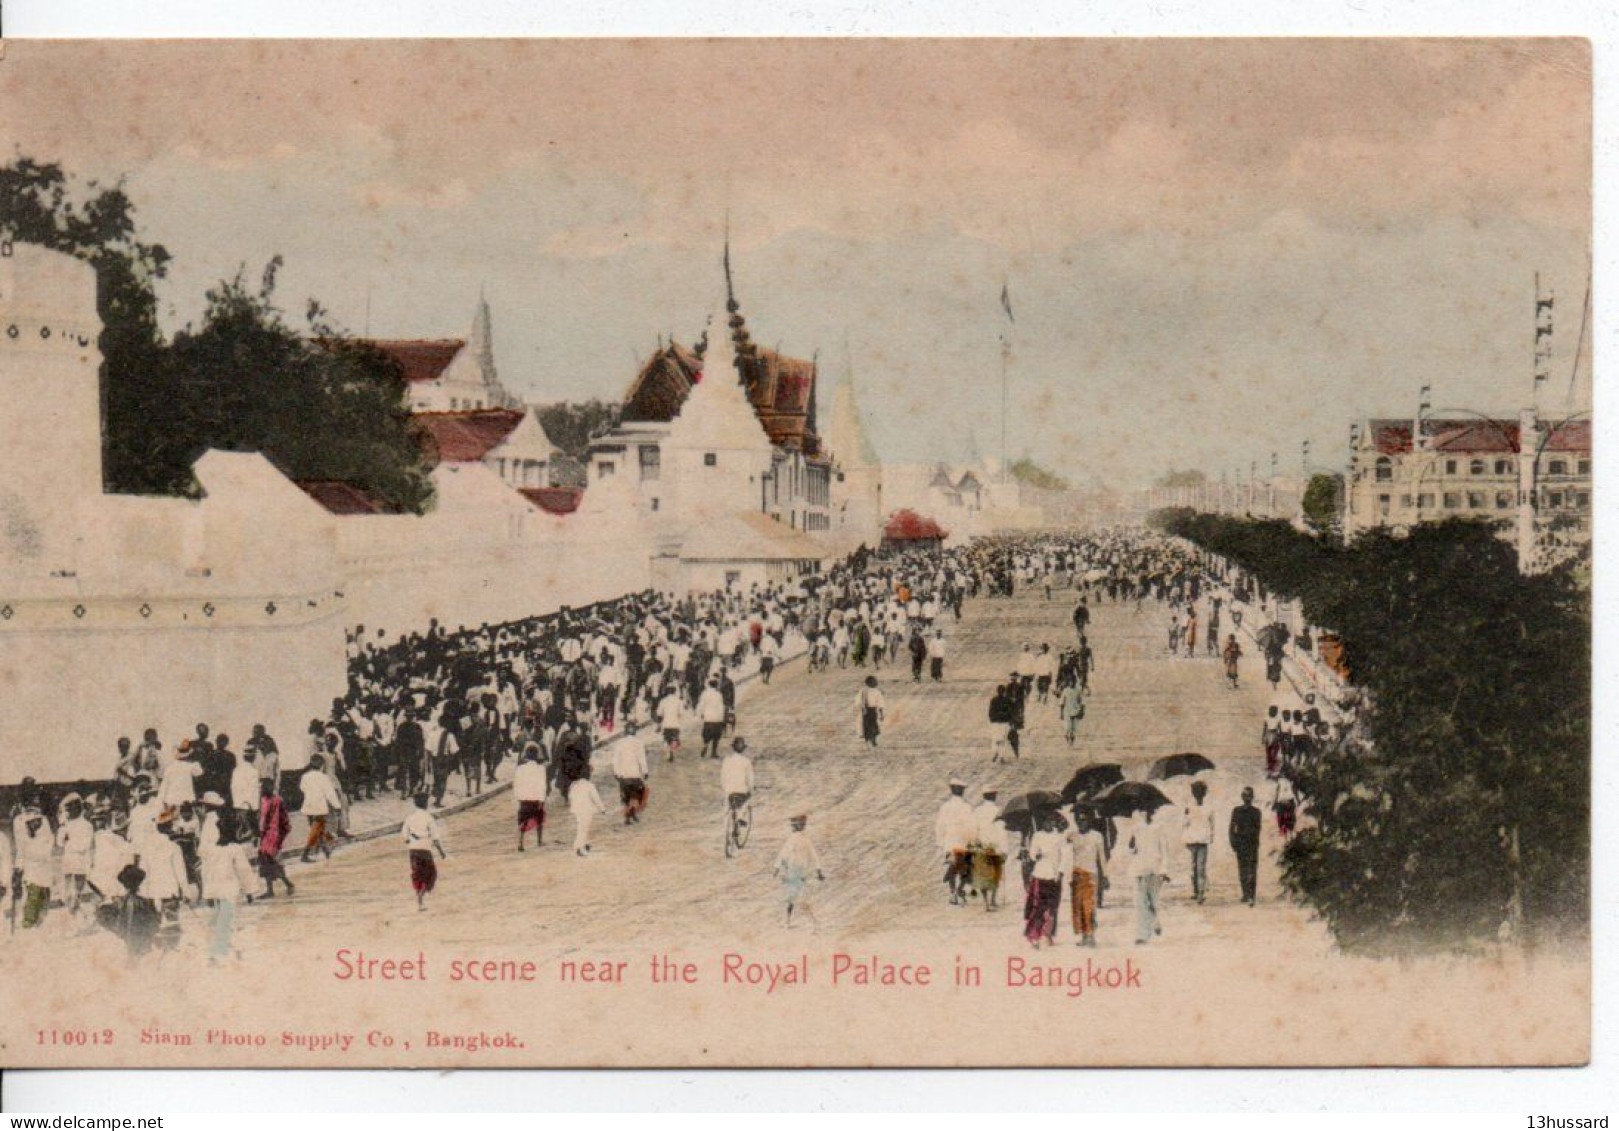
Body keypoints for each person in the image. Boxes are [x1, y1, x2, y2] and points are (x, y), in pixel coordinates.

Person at [199, 821, 258, 963]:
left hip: (215, 889)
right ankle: (224, 951)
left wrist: (206, 893)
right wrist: (249, 891)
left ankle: (221, 949)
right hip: (230, 888)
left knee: (221, 918)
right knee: (228, 919)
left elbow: (205, 873)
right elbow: (244, 870)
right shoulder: (235, 849)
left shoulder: (210, 850)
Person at [1023, 813, 1069, 948]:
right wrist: (1036, 855)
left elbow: (1065, 857)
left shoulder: (1059, 837)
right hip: (1040, 874)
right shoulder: (1037, 836)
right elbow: (1032, 854)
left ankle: (1047, 934)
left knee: (1053, 906)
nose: (1048, 823)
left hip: (1054, 876)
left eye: (1051, 820)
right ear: (1042, 822)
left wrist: (1060, 872)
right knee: (1039, 906)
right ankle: (1034, 935)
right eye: (1045, 821)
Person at [1126, 806, 1170, 944]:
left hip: (1155, 868)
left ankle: (1156, 921)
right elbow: (1132, 850)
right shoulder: (1136, 828)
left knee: (1154, 900)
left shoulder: (1159, 828)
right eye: (1143, 811)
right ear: (1140, 812)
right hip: (1139, 868)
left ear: (1154, 812)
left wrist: (1164, 870)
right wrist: (1132, 843)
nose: (1146, 813)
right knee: (1140, 902)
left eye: (1149, 811)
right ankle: (1142, 934)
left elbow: (1164, 850)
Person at [774, 813, 825, 930]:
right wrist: (819, 871)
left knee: (798, 900)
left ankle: (814, 923)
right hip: (796, 873)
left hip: (796, 874)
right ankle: (789, 922)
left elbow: (782, 855)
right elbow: (813, 856)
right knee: (793, 899)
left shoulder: (796, 840)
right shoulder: (802, 840)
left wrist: (776, 868)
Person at [1066, 808, 1106, 946]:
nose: (1080, 823)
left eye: (1083, 820)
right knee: (1077, 907)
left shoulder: (1097, 836)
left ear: (1089, 821)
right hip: (1076, 874)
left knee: (1089, 906)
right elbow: (1063, 852)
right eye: (1078, 820)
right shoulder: (1072, 836)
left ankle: (1091, 935)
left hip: (1091, 874)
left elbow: (1102, 857)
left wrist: (1105, 876)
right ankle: (1084, 936)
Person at [402, 793, 448, 910]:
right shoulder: (428, 818)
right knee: (430, 874)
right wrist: (442, 852)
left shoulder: (409, 818)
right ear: (425, 804)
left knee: (417, 874)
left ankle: (420, 898)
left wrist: (412, 842)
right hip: (425, 850)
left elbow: (404, 837)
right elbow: (435, 838)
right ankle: (420, 898)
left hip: (413, 850)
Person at [934, 778, 976, 907]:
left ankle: (952, 892)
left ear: (951, 790)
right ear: (962, 791)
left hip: (950, 842)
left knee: (952, 867)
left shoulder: (945, 807)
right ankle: (959, 890)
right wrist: (972, 840)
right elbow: (971, 826)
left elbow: (939, 826)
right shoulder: (966, 807)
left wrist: (941, 842)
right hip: (964, 841)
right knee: (965, 869)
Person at [970, 787, 1009, 912]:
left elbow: (973, 829)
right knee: (995, 875)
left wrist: (974, 843)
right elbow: (1002, 832)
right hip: (996, 847)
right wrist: (1004, 850)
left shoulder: (977, 811)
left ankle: (986, 902)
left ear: (983, 796)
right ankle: (993, 900)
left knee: (983, 875)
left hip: (982, 847)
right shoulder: (998, 811)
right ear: (995, 795)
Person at [298, 754, 342, 863]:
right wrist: (337, 806)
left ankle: (326, 850)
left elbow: (302, 788)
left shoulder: (305, 776)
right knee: (316, 830)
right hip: (319, 807)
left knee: (318, 829)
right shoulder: (324, 777)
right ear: (322, 765)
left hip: (308, 806)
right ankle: (305, 854)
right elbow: (330, 794)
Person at [256, 780, 294, 898]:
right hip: (266, 835)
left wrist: (280, 838)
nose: (260, 790)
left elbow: (284, 821)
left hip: (274, 836)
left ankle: (286, 884)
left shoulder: (277, 801)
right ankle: (272, 889)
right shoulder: (264, 801)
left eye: (262, 788)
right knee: (266, 861)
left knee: (271, 860)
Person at [56, 794, 93, 914]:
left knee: (78, 887)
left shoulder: (87, 825)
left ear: (78, 808)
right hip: (68, 859)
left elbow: (84, 846)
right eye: (68, 809)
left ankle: (75, 908)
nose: (69, 812)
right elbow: (60, 843)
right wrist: (63, 832)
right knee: (67, 885)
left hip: (80, 859)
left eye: (72, 808)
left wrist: (69, 842)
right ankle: (68, 909)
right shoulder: (66, 825)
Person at [16, 807, 53, 929]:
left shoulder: (47, 836)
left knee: (44, 897)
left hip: (44, 871)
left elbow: (46, 853)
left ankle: (40, 922)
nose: (35, 823)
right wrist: (19, 868)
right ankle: (27, 922)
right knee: (32, 896)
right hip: (31, 871)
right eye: (32, 822)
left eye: (37, 821)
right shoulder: (24, 838)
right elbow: (21, 854)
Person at [612, 720, 650, 825]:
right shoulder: (639, 743)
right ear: (635, 731)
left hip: (623, 775)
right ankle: (632, 813)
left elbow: (616, 759)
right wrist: (645, 771)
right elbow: (642, 759)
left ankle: (628, 816)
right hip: (635, 774)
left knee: (625, 797)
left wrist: (616, 772)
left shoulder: (619, 743)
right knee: (636, 795)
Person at [1229, 786, 1262, 905]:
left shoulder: (1256, 812)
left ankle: (1251, 895)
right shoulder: (1236, 811)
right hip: (1241, 844)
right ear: (1242, 797)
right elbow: (1232, 828)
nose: (1247, 798)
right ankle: (1245, 894)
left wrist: (1256, 842)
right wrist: (1233, 842)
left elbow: (1258, 828)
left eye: (1249, 795)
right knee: (1242, 870)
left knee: (1252, 870)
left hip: (1252, 844)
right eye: (1245, 795)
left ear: (1252, 797)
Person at [1183, 781, 1214, 904]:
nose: (1198, 794)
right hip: (1192, 840)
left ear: (1204, 793)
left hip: (1203, 841)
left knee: (1201, 867)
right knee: (1193, 867)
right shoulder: (1189, 808)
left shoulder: (1209, 808)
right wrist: (1185, 815)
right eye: (1196, 792)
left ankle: (1201, 893)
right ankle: (1196, 891)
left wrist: (1210, 837)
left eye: (1200, 792)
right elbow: (1184, 825)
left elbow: (1212, 825)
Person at [513, 744, 548, 851]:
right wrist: (542, 800)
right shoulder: (541, 768)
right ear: (536, 755)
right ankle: (539, 840)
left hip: (524, 798)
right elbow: (542, 785)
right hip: (536, 798)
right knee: (539, 820)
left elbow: (517, 783)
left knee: (522, 821)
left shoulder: (520, 768)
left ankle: (520, 842)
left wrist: (518, 796)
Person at [567, 773, 608, 857]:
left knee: (581, 827)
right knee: (584, 828)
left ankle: (585, 844)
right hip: (587, 810)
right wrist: (602, 809)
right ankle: (579, 847)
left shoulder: (573, 785)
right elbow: (596, 798)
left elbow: (570, 797)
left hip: (577, 810)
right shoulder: (589, 785)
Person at [721, 737, 755, 834]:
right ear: (743, 749)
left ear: (733, 748)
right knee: (747, 799)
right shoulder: (746, 761)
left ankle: (726, 825)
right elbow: (750, 778)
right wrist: (751, 788)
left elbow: (723, 776)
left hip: (729, 790)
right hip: (741, 790)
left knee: (727, 805)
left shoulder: (727, 760)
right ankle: (740, 817)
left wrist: (724, 787)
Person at [697, 679, 728, 760]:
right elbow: (721, 706)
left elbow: (701, 704)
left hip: (708, 718)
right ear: (716, 685)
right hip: (717, 718)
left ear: (709, 685)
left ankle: (705, 745)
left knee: (706, 734)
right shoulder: (718, 694)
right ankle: (713, 752)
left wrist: (700, 713)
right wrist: (722, 718)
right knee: (716, 736)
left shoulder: (705, 694)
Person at [855, 676, 886, 748]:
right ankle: (868, 739)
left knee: (872, 725)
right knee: (867, 725)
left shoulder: (877, 692)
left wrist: (881, 714)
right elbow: (861, 701)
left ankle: (872, 739)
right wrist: (863, 708)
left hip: (872, 710)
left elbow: (880, 703)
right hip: (867, 710)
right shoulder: (865, 691)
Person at [657, 686, 685, 763]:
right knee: (674, 739)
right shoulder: (679, 701)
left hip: (666, 724)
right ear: (675, 692)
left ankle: (669, 752)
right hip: (675, 724)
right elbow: (681, 713)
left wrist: (659, 724)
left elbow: (659, 713)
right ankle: (672, 751)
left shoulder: (663, 701)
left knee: (666, 739)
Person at [1058, 681, 1085, 747]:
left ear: (1075, 683)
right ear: (1069, 683)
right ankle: (1067, 738)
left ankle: (1072, 742)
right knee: (1067, 728)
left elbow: (1082, 702)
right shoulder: (1065, 691)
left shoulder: (1078, 691)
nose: (1072, 683)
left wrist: (1082, 711)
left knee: (1074, 728)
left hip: (1076, 711)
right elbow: (1061, 702)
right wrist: (1061, 713)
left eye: (1073, 682)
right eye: (1070, 682)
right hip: (1067, 711)